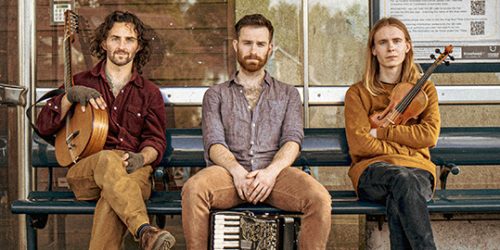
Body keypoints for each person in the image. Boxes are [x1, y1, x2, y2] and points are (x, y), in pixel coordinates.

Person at [181, 14, 332, 250]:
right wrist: (237, 172)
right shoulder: (216, 95)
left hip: (276, 175)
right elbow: (214, 143)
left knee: (319, 198)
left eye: (260, 44)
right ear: (235, 45)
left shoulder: (288, 94)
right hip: (228, 176)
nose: (253, 50)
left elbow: (293, 140)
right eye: (247, 43)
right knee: (194, 189)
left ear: (270, 49)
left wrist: (270, 173)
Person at [36, 11, 175, 250]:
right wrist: (69, 97)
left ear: (138, 47)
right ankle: (144, 229)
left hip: (134, 171)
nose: (122, 46)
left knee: (113, 197)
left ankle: (145, 233)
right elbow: (44, 124)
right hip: (86, 171)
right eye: (115, 38)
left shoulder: (149, 92)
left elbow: (156, 140)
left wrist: (142, 157)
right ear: (104, 42)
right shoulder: (81, 82)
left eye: (129, 40)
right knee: (107, 161)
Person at [344, 17, 441, 249]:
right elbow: (360, 145)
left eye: (397, 41)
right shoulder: (357, 93)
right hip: (372, 172)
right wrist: (407, 144)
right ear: (374, 50)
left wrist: (382, 133)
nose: (391, 47)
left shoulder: (425, 89)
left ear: (407, 47)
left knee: (400, 194)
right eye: (383, 42)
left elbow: (429, 136)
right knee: (401, 180)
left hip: (418, 171)